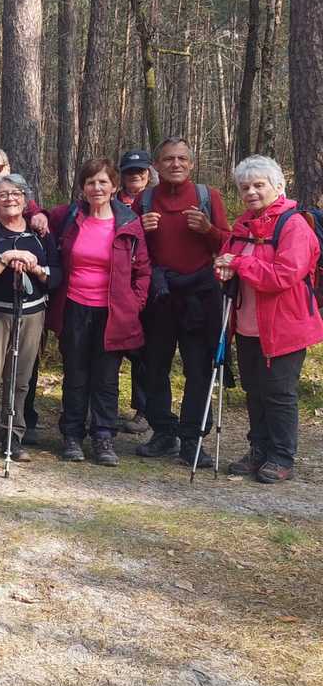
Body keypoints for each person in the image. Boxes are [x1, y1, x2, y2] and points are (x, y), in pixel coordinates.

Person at [214, 156, 323, 484]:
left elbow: (284, 275)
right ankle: (258, 449)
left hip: (285, 325)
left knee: (278, 392)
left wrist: (238, 265)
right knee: (254, 390)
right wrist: (222, 268)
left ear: (278, 186)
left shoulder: (294, 225)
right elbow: (227, 258)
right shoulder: (243, 225)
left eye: (258, 185)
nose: (251, 192)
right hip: (247, 324)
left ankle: (281, 456)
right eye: (245, 187)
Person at [47, 159, 151, 466]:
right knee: (75, 374)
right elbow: (35, 214)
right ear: (83, 187)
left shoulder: (129, 223)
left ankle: (103, 435)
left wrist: (134, 304)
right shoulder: (69, 217)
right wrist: (38, 216)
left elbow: (143, 270)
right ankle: (72, 435)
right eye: (91, 182)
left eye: (103, 182)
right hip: (74, 307)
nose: (97, 188)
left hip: (113, 312)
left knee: (106, 378)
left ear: (115, 186)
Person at [135, 137, 230, 467]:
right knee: (153, 366)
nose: (175, 164)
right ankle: (163, 431)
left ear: (191, 163)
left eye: (182, 159)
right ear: (156, 166)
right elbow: (128, 245)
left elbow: (227, 244)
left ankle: (192, 439)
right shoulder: (146, 199)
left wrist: (208, 229)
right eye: (168, 159)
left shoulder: (208, 196)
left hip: (200, 297)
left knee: (199, 369)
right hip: (159, 294)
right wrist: (140, 228)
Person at [0, 173, 61, 462]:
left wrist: (36, 270)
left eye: (16, 193)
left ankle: (12, 436)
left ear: (25, 199)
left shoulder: (40, 233)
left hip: (32, 314)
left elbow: (56, 275)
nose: (10, 199)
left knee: (20, 379)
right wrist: (5, 258)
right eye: (2, 194)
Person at [114, 149, 157, 434]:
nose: (135, 176)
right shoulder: (111, 202)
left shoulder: (155, 200)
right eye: (130, 171)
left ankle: (143, 410)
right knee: (110, 351)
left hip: (146, 284)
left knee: (143, 352)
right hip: (114, 285)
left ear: (149, 173)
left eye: (140, 170)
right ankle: (104, 408)